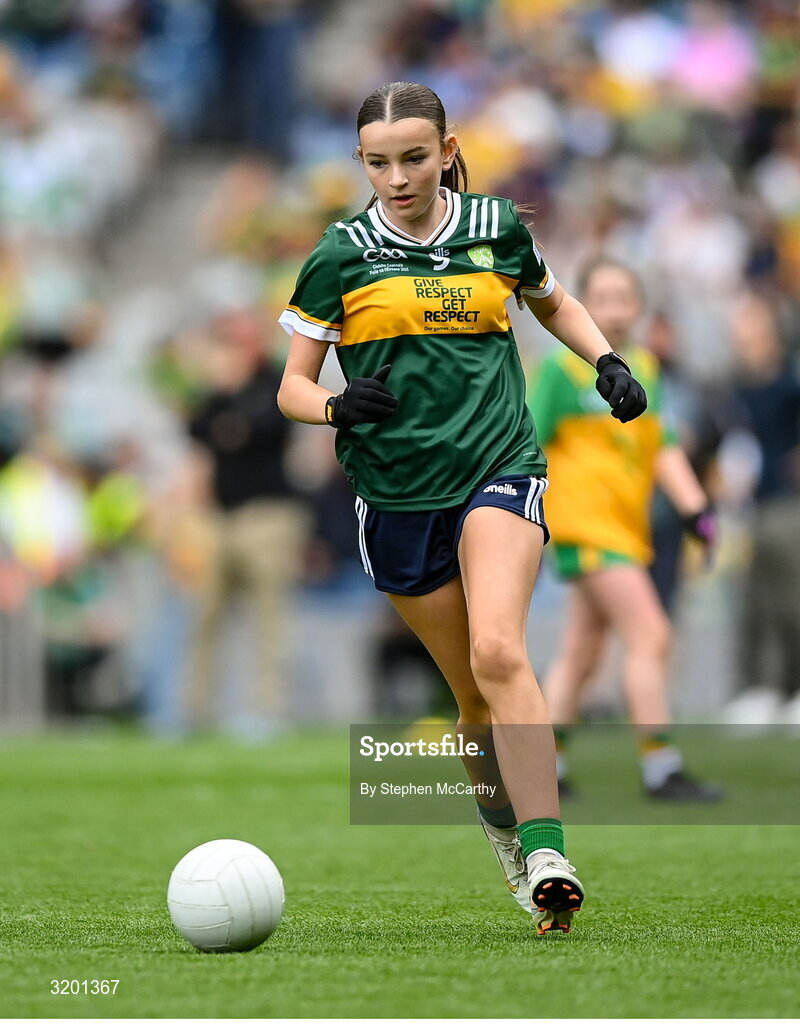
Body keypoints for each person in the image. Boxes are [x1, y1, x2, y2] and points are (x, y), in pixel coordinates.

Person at [277, 81, 647, 935]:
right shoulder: (340, 255)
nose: (397, 177)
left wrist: (605, 359)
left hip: (499, 466)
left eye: (414, 157)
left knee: (499, 650)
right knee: (472, 702)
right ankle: (510, 840)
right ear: (361, 163)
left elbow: (552, 298)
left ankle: (551, 849)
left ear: (447, 151)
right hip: (397, 495)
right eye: (378, 162)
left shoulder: (496, 230)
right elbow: (290, 388)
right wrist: (334, 407)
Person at [528, 257, 721, 801]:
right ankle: (662, 768)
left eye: (624, 297)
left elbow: (660, 446)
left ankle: (548, 764)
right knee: (651, 635)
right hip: (586, 528)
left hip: (625, 529)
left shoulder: (645, 369)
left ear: (639, 307)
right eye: (602, 297)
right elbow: (528, 441)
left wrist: (694, 510)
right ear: (583, 305)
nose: (614, 308)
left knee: (583, 650)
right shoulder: (562, 370)